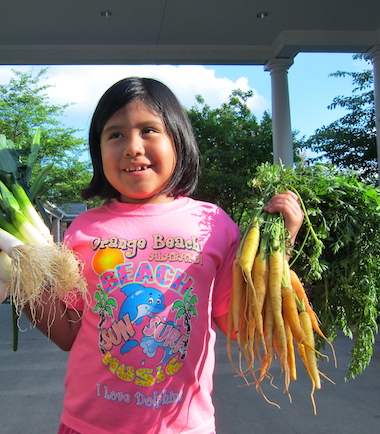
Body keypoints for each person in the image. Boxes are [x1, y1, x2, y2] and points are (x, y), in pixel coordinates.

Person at [23, 77, 304, 434]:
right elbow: (66, 332)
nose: (132, 147)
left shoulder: (213, 224)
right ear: (98, 150)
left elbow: (237, 324)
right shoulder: (83, 229)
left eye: (149, 130)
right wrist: (15, 272)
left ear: (178, 142)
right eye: (115, 135)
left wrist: (282, 245)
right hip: (88, 425)